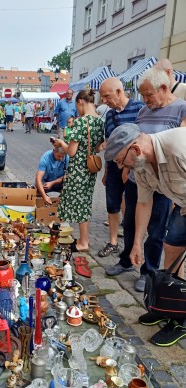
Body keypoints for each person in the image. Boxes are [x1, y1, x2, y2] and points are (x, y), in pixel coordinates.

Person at [105, 124, 186, 346]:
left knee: (185, 266)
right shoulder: (141, 166)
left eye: (121, 160)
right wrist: (137, 245)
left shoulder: (179, 146)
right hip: (183, 204)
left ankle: (182, 321)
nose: (122, 166)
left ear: (135, 149)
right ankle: (169, 306)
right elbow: (144, 203)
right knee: (171, 249)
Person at [98, 78, 144, 259]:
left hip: (133, 167)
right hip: (113, 166)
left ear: (119, 92)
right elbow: (110, 146)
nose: (104, 101)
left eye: (106, 96)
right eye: (102, 97)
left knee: (132, 206)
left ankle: (132, 246)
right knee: (112, 204)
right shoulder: (109, 115)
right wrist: (107, 172)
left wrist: (129, 168)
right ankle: (113, 242)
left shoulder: (139, 109)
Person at [54, 90, 104, 252]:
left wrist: (61, 142)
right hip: (90, 168)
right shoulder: (99, 121)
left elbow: (71, 151)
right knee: (85, 202)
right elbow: (98, 147)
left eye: (77, 106)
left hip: (78, 169)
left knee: (78, 203)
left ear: (81, 102)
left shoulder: (80, 122)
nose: (77, 109)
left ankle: (83, 242)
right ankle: (83, 239)